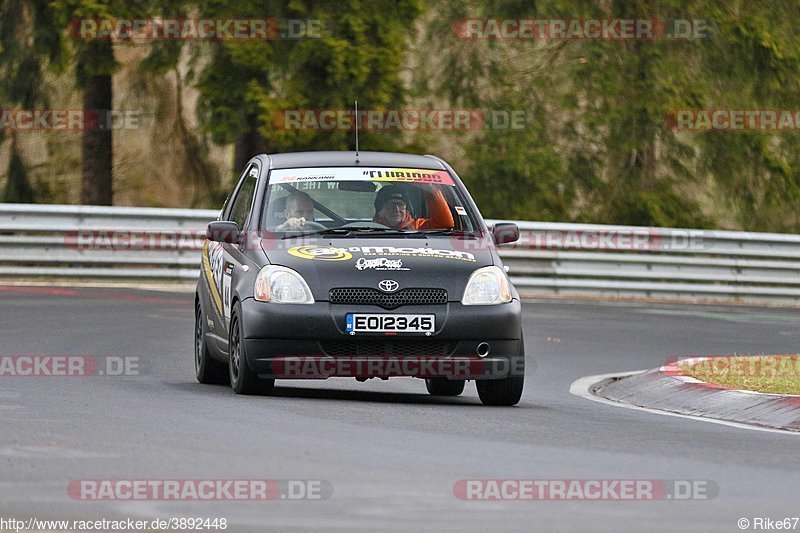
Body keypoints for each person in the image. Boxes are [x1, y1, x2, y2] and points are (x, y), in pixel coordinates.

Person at [373, 185, 454, 230]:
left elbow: (445, 223)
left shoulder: (418, 227)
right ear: (380, 208)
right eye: (391, 205)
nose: (397, 209)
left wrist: (430, 189)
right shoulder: (368, 230)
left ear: (406, 207)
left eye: (401, 204)